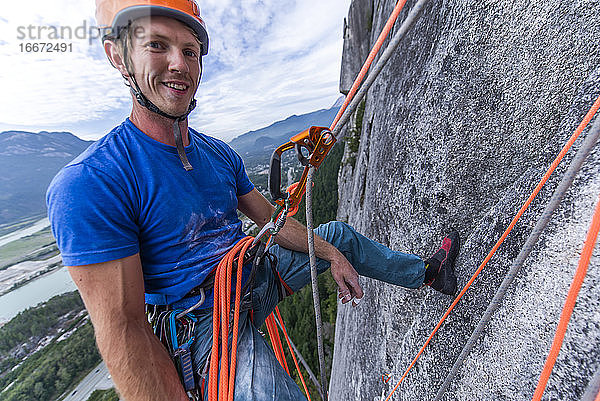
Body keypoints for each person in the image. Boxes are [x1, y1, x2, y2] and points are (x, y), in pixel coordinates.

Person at [46, 1, 460, 400]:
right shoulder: (92, 182)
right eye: (156, 45)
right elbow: (124, 330)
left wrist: (331, 254)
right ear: (118, 56)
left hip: (250, 278)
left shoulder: (219, 155)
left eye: (189, 51)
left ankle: (427, 275)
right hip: (203, 325)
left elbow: (272, 223)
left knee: (336, 237)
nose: (179, 63)